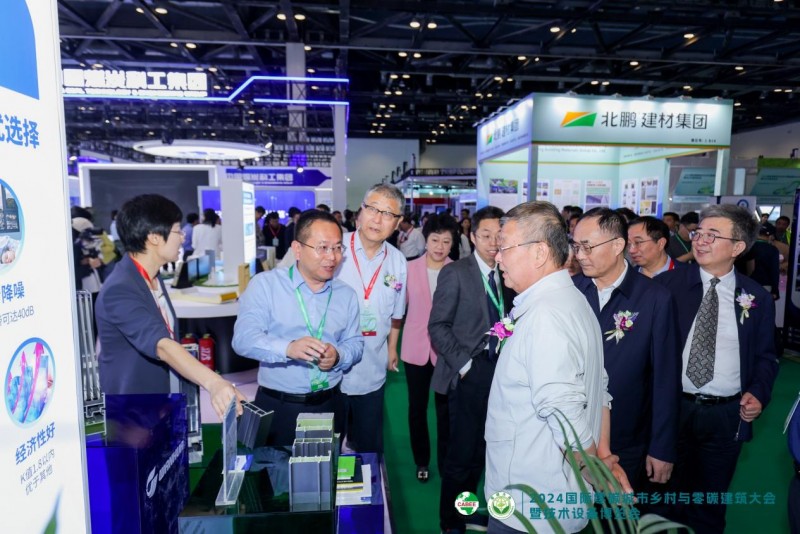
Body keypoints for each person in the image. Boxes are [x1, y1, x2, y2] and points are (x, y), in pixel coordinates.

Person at [486, 201, 629, 533]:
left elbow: (564, 413)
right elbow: (599, 387)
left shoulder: (545, 317)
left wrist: (596, 470)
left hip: (529, 505)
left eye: (504, 247)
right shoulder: (572, 299)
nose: (497, 257)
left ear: (539, 252)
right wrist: (602, 455)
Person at [655, 204, 779, 534]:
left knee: (709, 502)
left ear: (738, 247)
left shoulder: (755, 297)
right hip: (671, 410)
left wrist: (758, 393)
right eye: (699, 233)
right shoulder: (666, 287)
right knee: (663, 499)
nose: (700, 240)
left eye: (713, 235)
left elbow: (767, 357)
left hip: (726, 414)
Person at [95, 194, 243, 418]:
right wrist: (214, 382)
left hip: (162, 399)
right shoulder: (120, 288)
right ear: (154, 237)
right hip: (133, 410)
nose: (183, 237)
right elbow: (161, 344)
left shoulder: (152, 277)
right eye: (177, 231)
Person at [571, 208, 681, 500]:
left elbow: (665, 379)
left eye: (587, 247)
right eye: (576, 246)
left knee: (616, 515)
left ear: (618, 245)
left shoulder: (654, 298)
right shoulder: (570, 291)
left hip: (626, 438)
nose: (579, 255)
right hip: (570, 434)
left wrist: (661, 447)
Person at [232, 210, 363, 445]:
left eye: (337, 248)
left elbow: (355, 343)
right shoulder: (266, 285)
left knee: (327, 468)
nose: (332, 257)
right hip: (278, 407)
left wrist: (338, 356)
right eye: (323, 247)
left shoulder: (346, 295)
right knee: (271, 468)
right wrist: (288, 348)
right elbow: (243, 339)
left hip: (330, 404)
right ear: (298, 249)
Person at [429, 206, 514, 533]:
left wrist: (499, 349)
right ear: (472, 236)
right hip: (465, 375)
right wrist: (466, 366)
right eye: (486, 235)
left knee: (483, 451)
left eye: (499, 236)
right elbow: (437, 326)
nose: (493, 243)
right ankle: (450, 522)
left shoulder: (507, 272)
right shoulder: (456, 272)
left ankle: (466, 510)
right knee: (460, 457)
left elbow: (507, 318)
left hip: (499, 372)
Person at [336, 183, 407, 454]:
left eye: (387, 214)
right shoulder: (335, 248)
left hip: (372, 370)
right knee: (327, 450)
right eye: (372, 209)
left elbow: (397, 313)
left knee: (367, 451)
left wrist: (392, 348)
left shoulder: (397, 262)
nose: (377, 219)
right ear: (360, 211)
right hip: (330, 372)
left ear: (397, 222)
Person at [400, 214, 459, 483]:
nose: (440, 246)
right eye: (435, 240)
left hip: (446, 351)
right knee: (417, 408)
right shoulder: (409, 268)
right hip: (415, 348)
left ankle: (446, 462)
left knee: (445, 411)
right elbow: (398, 310)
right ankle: (421, 460)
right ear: (426, 240)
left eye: (446, 241)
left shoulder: (458, 270)